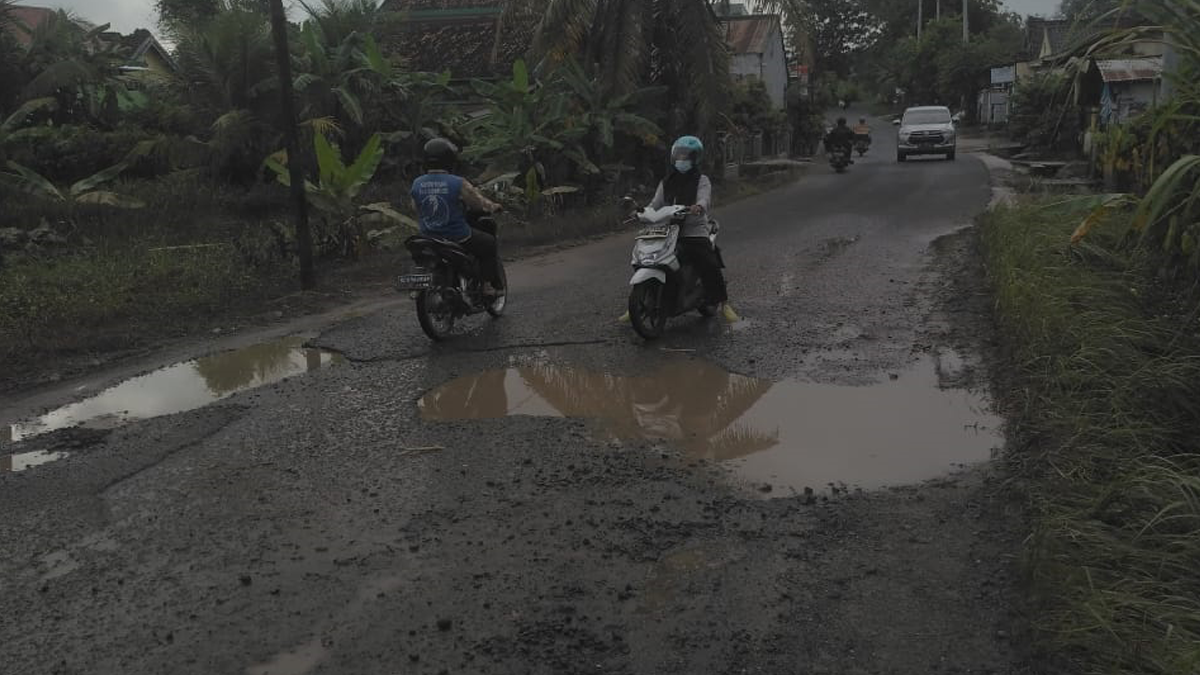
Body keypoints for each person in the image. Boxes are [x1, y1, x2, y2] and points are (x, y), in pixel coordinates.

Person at [410, 138, 504, 296]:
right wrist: (494, 206)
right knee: (489, 243)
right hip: (457, 235)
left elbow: (415, 207)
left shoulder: (417, 183)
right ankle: (487, 286)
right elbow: (477, 204)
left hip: (428, 236)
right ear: (449, 160)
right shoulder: (457, 182)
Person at [645, 135, 728, 307]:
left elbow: (704, 199)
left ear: (695, 158)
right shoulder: (666, 182)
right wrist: (642, 212)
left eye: (686, 156)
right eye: (679, 155)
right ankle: (645, 299)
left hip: (693, 230)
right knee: (648, 258)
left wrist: (698, 206)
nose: (681, 159)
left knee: (707, 262)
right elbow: (655, 204)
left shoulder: (702, 180)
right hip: (668, 231)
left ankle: (720, 300)